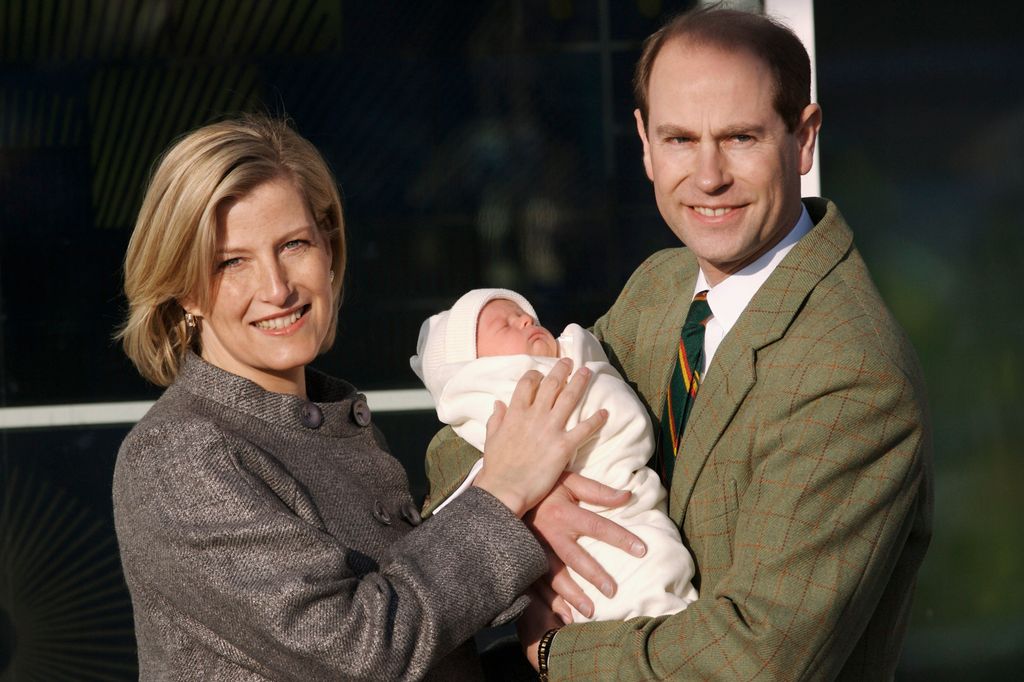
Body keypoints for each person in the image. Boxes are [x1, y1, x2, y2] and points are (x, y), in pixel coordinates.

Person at [424, 7, 933, 680]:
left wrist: (552, 652)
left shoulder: (849, 372)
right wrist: (532, 502)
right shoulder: (661, 287)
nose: (708, 175)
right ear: (643, 142)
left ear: (804, 138)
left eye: (741, 138)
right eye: (679, 139)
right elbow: (473, 420)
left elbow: (754, 660)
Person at [112, 114, 609, 680]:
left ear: (328, 248)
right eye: (232, 262)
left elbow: (426, 644)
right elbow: (359, 653)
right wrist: (503, 492)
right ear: (185, 291)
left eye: (293, 244)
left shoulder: (328, 423)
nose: (276, 289)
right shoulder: (178, 456)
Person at [410, 288, 699, 623]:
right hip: (596, 543)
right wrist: (522, 506)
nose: (524, 319)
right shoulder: (494, 396)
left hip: (631, 506)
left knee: (657, 567)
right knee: (632, 582)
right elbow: (461, 468)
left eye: (527, 316)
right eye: (505, 325)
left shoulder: (580, 355)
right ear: (472, 368)